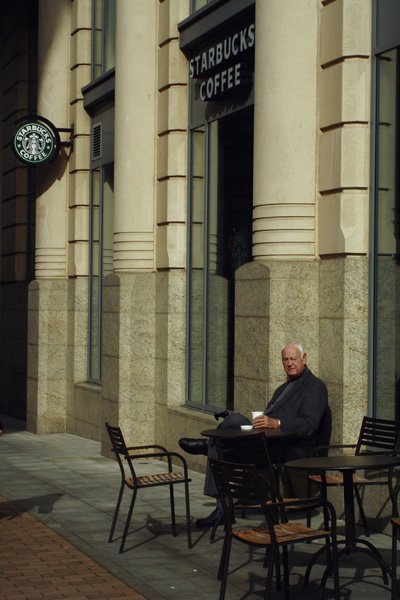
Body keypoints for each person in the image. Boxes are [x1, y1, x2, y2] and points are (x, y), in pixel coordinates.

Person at [179, 342, 328, 528]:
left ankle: (221, 504)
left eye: (293, 359)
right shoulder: (284, 388)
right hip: (266, 440)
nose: (289, 363)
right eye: (285, 359)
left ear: (304, 359)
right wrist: (263, 422)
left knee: (223, 439)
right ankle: (212, 448)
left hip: (287, 447)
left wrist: (276, 423)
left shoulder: (315, 386)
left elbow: (309, 424)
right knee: (230, 428)